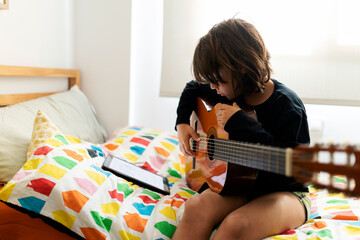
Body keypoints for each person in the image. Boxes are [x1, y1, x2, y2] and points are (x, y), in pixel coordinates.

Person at [172, 18, 311, 240]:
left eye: (218, 82)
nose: (213, 88)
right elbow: (192, 89)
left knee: (236, 225)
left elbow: (291, 168)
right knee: (196, 208)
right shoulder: (229, 89)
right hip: (245, 184)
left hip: (286, 191)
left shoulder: (287, 106)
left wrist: (242, 123)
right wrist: (182, 123)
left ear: (243, 70)